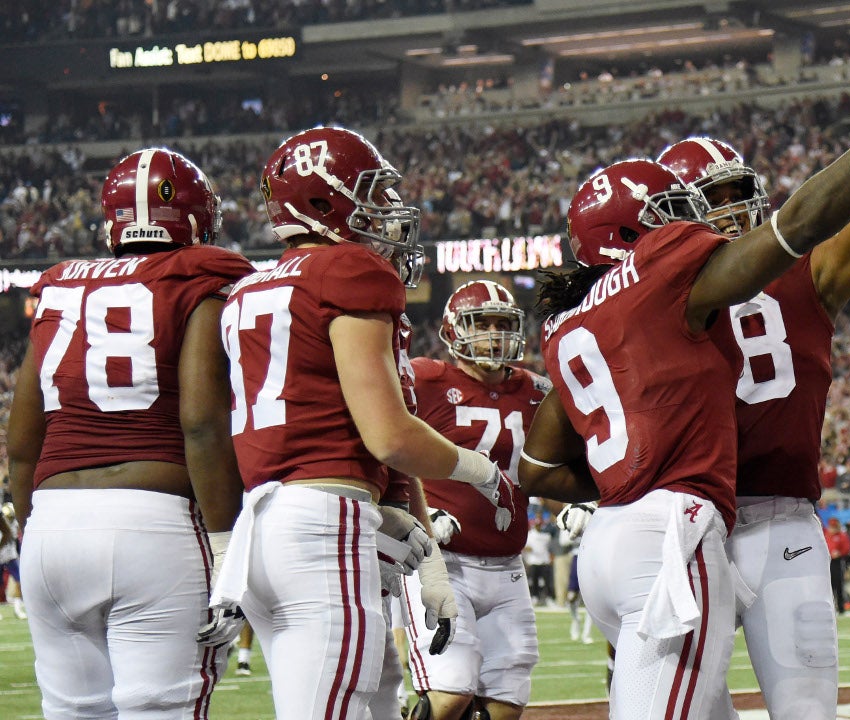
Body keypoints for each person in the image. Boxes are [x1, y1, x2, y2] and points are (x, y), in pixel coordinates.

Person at [518, 33, 850, 717]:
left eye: (733, 195)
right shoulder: (652, 297)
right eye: (705, 200)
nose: (727, 212)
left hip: (758, 521)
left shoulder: (778, 279)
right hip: (687, 523)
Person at [198, 127, 511, 719]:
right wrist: (479, 471)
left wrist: (432, 563)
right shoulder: (348, 270)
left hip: (263, 528)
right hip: (322, 526)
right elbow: (390, 435)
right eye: (373, 195)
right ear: (323, 202)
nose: (387, 212)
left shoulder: (249, 289)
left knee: (376, 703)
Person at [6, 148, 254, 718]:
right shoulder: (204, 275)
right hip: (156, 525)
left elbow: (22, 446)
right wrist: (226, 550)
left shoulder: (61, 288)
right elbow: (200, 422)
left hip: (52, 525)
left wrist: (34, 537)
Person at [399, 279, 547, 720]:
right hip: (444, 560)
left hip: (508, 564)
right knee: (448, 696)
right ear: (453, 328)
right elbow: (385, 446)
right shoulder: (425, 379)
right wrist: (416, 512)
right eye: (482, 324)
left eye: (504, 323)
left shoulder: (538, 391)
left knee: (504, 707)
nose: (495, 334)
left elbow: (557, 464)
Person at [825, 517, 850, 612]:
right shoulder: (825, 535)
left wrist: (840, 553)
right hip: (827, 562)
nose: (832, 529)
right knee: (828, 586)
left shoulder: (842, 536)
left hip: (838, 562)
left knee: (839, 585)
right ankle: (830, 607)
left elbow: (847, 549)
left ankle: (841, 607)